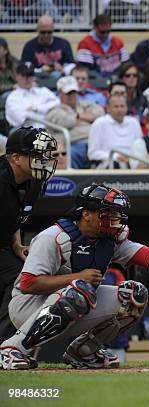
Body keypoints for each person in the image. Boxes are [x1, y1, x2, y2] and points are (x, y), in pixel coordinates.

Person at [0, 183, 149, 369]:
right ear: (86, 214)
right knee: (80, 289)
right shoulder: (54, 237)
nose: (115, 218)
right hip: (26, 306)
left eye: (116, 213)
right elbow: (29, 283)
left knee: (134, 295)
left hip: (71, 301)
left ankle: (84, 351)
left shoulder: (110, 240)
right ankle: (12, 349)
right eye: (107, 213)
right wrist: (76, 277)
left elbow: (147, 255)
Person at [0, 128, 57, 343]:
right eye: (37, 155)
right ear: (16, 158)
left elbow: (16, 214)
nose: (44, 161)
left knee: (23, 280)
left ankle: (6, 347)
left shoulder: (34, 180)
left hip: (4, 246)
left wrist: (16, 244)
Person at [45, 76, 105, 169]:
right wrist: (86, 118)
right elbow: (67, 121)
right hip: (74, 145)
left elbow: (100, 114)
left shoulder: (85, 104)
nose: (72, 96)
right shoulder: (54, 111)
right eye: (68, 93)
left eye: (74, 92)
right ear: (60, 93)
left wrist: (77, 116)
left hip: (97, 144)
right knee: (69, 155)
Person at [88, 95, 143, 168]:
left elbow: (139, 147)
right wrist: (116, 156)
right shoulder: (99, 123)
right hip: (108, 163)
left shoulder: (134, 122)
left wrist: (130, 159)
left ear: (127, 107)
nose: (119, 109)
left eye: (122, 106)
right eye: (116, 106)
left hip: (133, 161)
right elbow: (92, 154)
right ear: (108, 108)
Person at [6, 62, 59, 129]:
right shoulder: (13, 97)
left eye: (30, 75)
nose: (27, 78)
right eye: (24, 75)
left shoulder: (43, 91)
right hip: (25, 132)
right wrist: (47, 110)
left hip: (48, 129)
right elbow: (22, 119)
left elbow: (58, 104)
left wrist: (36, 109)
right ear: (17, 77)